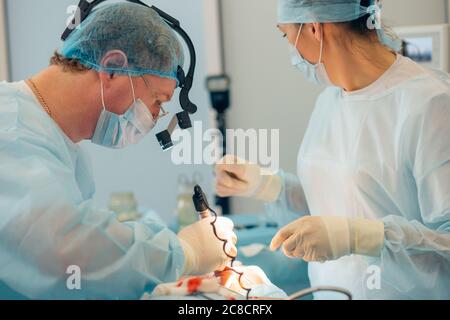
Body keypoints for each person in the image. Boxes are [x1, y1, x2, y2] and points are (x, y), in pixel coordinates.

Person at [215, 0, 450, 299]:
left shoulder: (430, 103)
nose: (292, 52)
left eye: (286, 36)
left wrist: (359, 236)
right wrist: (268, 186)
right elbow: (337, 204)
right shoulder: (329, 101)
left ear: (314, 28)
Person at [0, 2, 236, 299]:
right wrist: (183, 253)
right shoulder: (9, 128)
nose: (153, 119)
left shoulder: (63, 147)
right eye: (158, 102)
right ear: (112, 68)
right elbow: (66, 252)